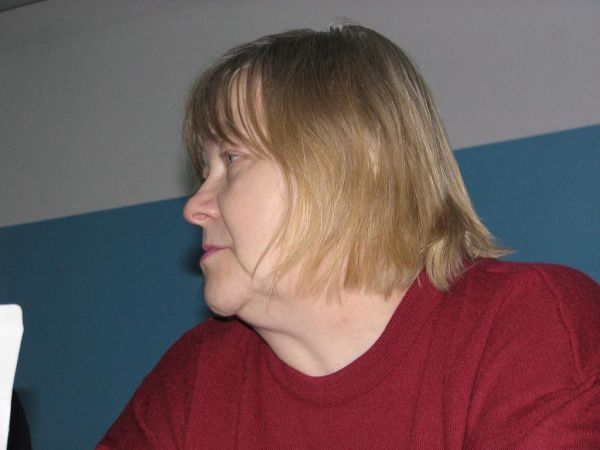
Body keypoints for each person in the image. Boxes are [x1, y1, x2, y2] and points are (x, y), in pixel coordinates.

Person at [97, 23, 600, 449]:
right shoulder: (197, 376)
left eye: (232, 159)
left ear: (357, 165)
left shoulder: (528, 325)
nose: (194, 208)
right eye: (204, 171)